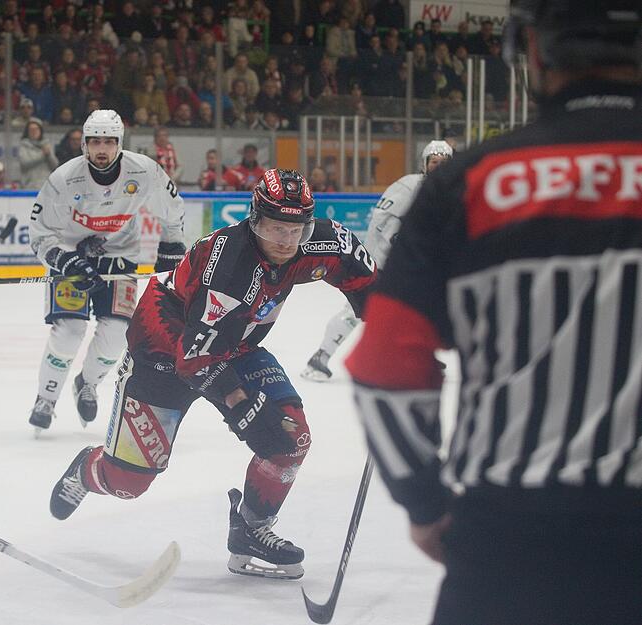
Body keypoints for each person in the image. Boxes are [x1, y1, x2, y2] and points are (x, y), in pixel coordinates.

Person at [345, 2, 642, 623]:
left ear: (532, 50)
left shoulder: (467, 181)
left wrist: (424, 504)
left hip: (509, 534)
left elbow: (384, 365)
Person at [49, 169, 377, 579]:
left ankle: (251, 530)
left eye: (295, 229)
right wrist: (242, 406)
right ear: (255, 220)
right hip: (164, 348)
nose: (285, 240)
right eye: (276, 227)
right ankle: (89, 468)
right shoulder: (230, 266)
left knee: (291, 438)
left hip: (235, 345)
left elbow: (363, 278)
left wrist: (395, 333)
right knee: (128, 483)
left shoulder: (322, 240)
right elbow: (195, 359)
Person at [27, 109, 186, 434]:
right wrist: (65, 260)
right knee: (69, 331)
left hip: (120, 256)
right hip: (72, 258)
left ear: (120, 144)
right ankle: (46, 397)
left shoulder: (144, 172)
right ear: (84, 144)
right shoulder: (63, 178)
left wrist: (171, 250)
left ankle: (87, 383)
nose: (101, 149)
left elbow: (173, 211)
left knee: (116, 335)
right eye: (94, 141)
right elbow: (40, 233)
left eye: (109, 142)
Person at [302, 139, 453, 381]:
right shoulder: (408, 186)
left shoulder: (448, 191)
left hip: (413, 265)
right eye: (435, 162)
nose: (439, 166)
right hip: (385, 261)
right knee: (357, 310)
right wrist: (376, 258)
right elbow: (381, 221)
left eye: (444, 163)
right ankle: (320, 357)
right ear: (424, 164)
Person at [18, 119, 59, 190]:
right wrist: (42, 155)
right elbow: (24, 163)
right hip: (28, 185)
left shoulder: (47, 145)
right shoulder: (23, 146)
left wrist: (49, 155)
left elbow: (55, 165)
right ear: (27, 132)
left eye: (36, 129)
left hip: (46, 186)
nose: (34, 132)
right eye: (31, 130)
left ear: (41, 131)